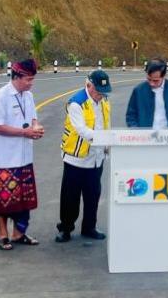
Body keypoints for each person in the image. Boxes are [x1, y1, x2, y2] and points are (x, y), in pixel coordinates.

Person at [0, 59, 44, 251]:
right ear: (17, 77)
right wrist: (24, 132)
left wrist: (36, 128)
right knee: (4, 198)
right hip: (5, 158)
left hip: (24, 157)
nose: (31, 83)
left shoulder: (28, 96)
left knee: (24, 198)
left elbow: (33, 118)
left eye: (32, 79)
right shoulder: (0, 97)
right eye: (28, 79)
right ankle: (3, 235)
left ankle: (19, 234)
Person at [56, 70, 112, 242]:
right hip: (76, 158)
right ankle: (66, 228)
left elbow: (106, 123)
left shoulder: (104, 101)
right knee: (70, 197)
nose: (101, 96)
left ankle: (89, 227)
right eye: (99, 92)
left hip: (96, 158)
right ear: (89, 85)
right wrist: (103, 138)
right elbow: (81, 130)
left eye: (104, 93)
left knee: (93, 195)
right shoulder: (76, 103)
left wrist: (108, 143)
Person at [126, 58, 168, 129]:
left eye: (155, 81)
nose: (151, 83)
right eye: (149, 79)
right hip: (145, 137)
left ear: (164, 76)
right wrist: (134, 129)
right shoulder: (138, 91)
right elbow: (131, 115)